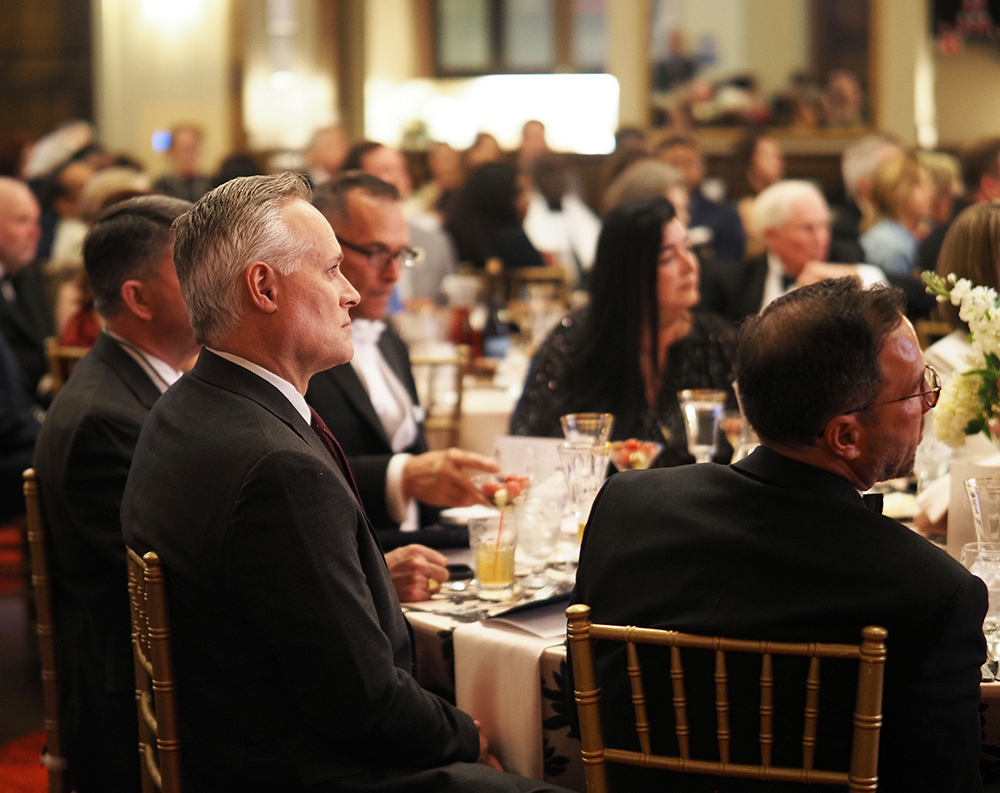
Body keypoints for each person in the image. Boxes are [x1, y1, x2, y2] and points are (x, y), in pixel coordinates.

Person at [120, 172, 567, 792]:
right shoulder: (276, 467)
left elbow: (270, 606)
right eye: (332, 270)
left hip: (232, 748)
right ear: (264, 287)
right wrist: (468, 735)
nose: (352, 293)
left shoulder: (184, 409)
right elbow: (364, 704)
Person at [572, 277, 987, 793]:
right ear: (845, 436)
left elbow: (579, 703)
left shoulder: (624, 506)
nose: (930, 401)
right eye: (917, 389)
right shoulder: (931, 592)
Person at [32, 195, 199, 793]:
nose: (217, 284)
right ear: (138, 297)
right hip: (140, 704)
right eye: (194, 270)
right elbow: (185, 578)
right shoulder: (107, 417)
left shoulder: (146, 387)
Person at [308, 172, 498, 537]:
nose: (394, 274)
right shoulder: (302, 350)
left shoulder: (389, 339)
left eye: (401, 254)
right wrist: (402, 476)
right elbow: (305, 478)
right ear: (327, 249)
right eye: (377, 253)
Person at [510, 196, 737, 467]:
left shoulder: (718, 342)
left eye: (688, 248)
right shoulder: (575, 342)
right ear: (629, 273)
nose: (690, 266)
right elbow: (526, 447)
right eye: (667, 258)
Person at [698, 179, 885, 325]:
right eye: (807, 228)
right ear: (771, 235)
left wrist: (854, 276)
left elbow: (906, 292)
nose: (821, 239)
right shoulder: (736, 281)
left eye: (824, 225)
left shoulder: (847, 256)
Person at [343, 141, 458, 306]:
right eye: (385, 170)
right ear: (354, 182)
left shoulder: (434, 242)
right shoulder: (339, 244)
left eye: (402, 170)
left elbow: (450, 303)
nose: (396, 179)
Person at [0, 176, 53, 399]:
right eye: (22, 221)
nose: (35, 232)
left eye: (37, 221)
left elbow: (45, 343)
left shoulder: (29, 275)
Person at [657, 135, 745, 264]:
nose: (682, 171)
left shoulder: (725, 217)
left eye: (689, 163)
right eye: (674, 164)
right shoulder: (650, 215)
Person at [445, 161, 544, 271]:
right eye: (519, 192)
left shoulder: (452, 232)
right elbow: (544, 278)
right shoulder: (511, 239)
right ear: (499, 195)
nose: (528, 200)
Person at [860, 150, 934, 277]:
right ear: (897, 191)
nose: (930, 192)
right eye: (920, 185)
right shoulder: (891, 245)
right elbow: (899, 295)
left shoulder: (898, 235)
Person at [152, 123, 213, 202]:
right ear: (172, 152)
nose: (189, 154)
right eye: (184, 149)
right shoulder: (161, 186)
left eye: (193, 148)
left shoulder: (211, 184)